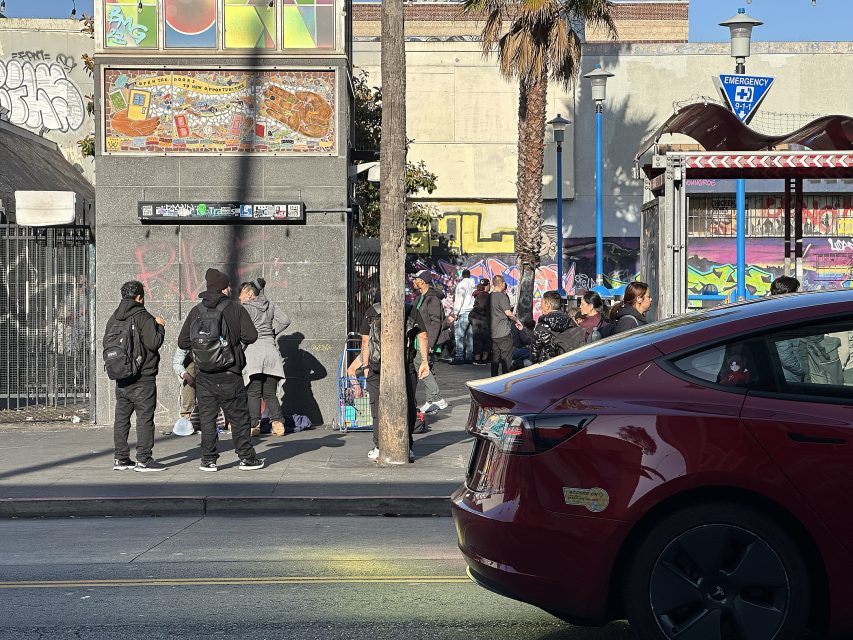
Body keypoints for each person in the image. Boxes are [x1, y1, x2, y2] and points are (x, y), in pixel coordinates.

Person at [177, 268, 264, 472]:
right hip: (230, 373)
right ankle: (246, 459)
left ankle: (208, 460)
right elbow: (251, 336)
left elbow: (182, 341)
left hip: (204, 374)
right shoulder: (235, 309)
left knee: (207, 418)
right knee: (239, 418)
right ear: (225, 288)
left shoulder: (196, 311)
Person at [346, 292, 430, 462]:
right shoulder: (410, 310)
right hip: (405, 366)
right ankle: (408, 446)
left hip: (377, 366)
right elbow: (423, 335)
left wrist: (366, 365)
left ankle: (378, 446)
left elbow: (365, 341)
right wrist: (424, 362)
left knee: (377, 406)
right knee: (408, 405)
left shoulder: (372, 311)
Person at [106, 280, 166, 472]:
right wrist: (160, 327)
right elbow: (153, 343)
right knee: (144, 418)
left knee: (122, 418)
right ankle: (144, 459)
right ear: (139, 297)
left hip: (121, 376)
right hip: (143, 377)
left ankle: (121, 458)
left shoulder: (114, 318)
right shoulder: (143, 316)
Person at [239, 278, 291, 438]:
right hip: (271, 353)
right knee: (269, 392)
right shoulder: (270, 305)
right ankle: (278, 424)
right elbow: (286, 321)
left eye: (241, 294)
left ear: (248, 293)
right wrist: (272, 333)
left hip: (253, 353)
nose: (239, 297)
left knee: (253, 392)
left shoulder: (246, 308)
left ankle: (254, 425)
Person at [411, 270, 448, 413]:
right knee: (428, 367)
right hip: (419, 338)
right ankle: (430, 401)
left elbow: (435, 322)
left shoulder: (432, 299)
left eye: (415, 279)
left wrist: (430, 344)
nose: (413, 281)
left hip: (428, 340)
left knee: (419, 363)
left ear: (422, 281)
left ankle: (438, 398)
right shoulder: (420, 297)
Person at [531, 290, 584, 364]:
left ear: (547, 305)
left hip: (548, 367)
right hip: (568, 363)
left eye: (541, 303)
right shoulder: (570, 321)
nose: (540, 306)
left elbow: (534, 354)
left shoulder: (541, 326)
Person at [770, 276, 805, 382]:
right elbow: (785, 356)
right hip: (791, 378)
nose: (798, 295)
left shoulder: (778, 313)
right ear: (788, 293)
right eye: (795, 292)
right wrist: (802, 370)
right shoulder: (781, 317)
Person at [489, 275, 520, 376]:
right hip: (503, 333)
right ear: (502, 284)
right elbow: (508, 313)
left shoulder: (489, 296)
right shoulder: (502, 296)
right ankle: (505, 379)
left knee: (495, 359)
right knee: (506, 359)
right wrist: (517, 320)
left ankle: (493, 378)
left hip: (493, 333)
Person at [450, 269, 475, 365]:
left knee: (459, 336)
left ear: (462, 276)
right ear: (470, 275)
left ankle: (459, 357)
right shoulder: (473, 285)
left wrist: (455, 313)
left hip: (463, 312)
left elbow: (459, 299)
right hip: (471, 312)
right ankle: (469, 356)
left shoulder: (461, 285)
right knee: (470, 336)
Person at [172, 346, 199, 433]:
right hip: (191, 362)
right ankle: (187, 415)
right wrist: (186, 376)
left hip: (212, 361)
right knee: (189, 371)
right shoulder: (186, 339)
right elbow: (177, 363)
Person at [469, 278, 491, 365]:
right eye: (489, 285)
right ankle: (482, 359)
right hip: (483, 321)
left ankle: (477, 358)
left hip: (476, 320)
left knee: (478, 339)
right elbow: (482, 308)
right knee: (485, 340)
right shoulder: (485, 296)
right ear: (486, 286)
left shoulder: (477, 295)